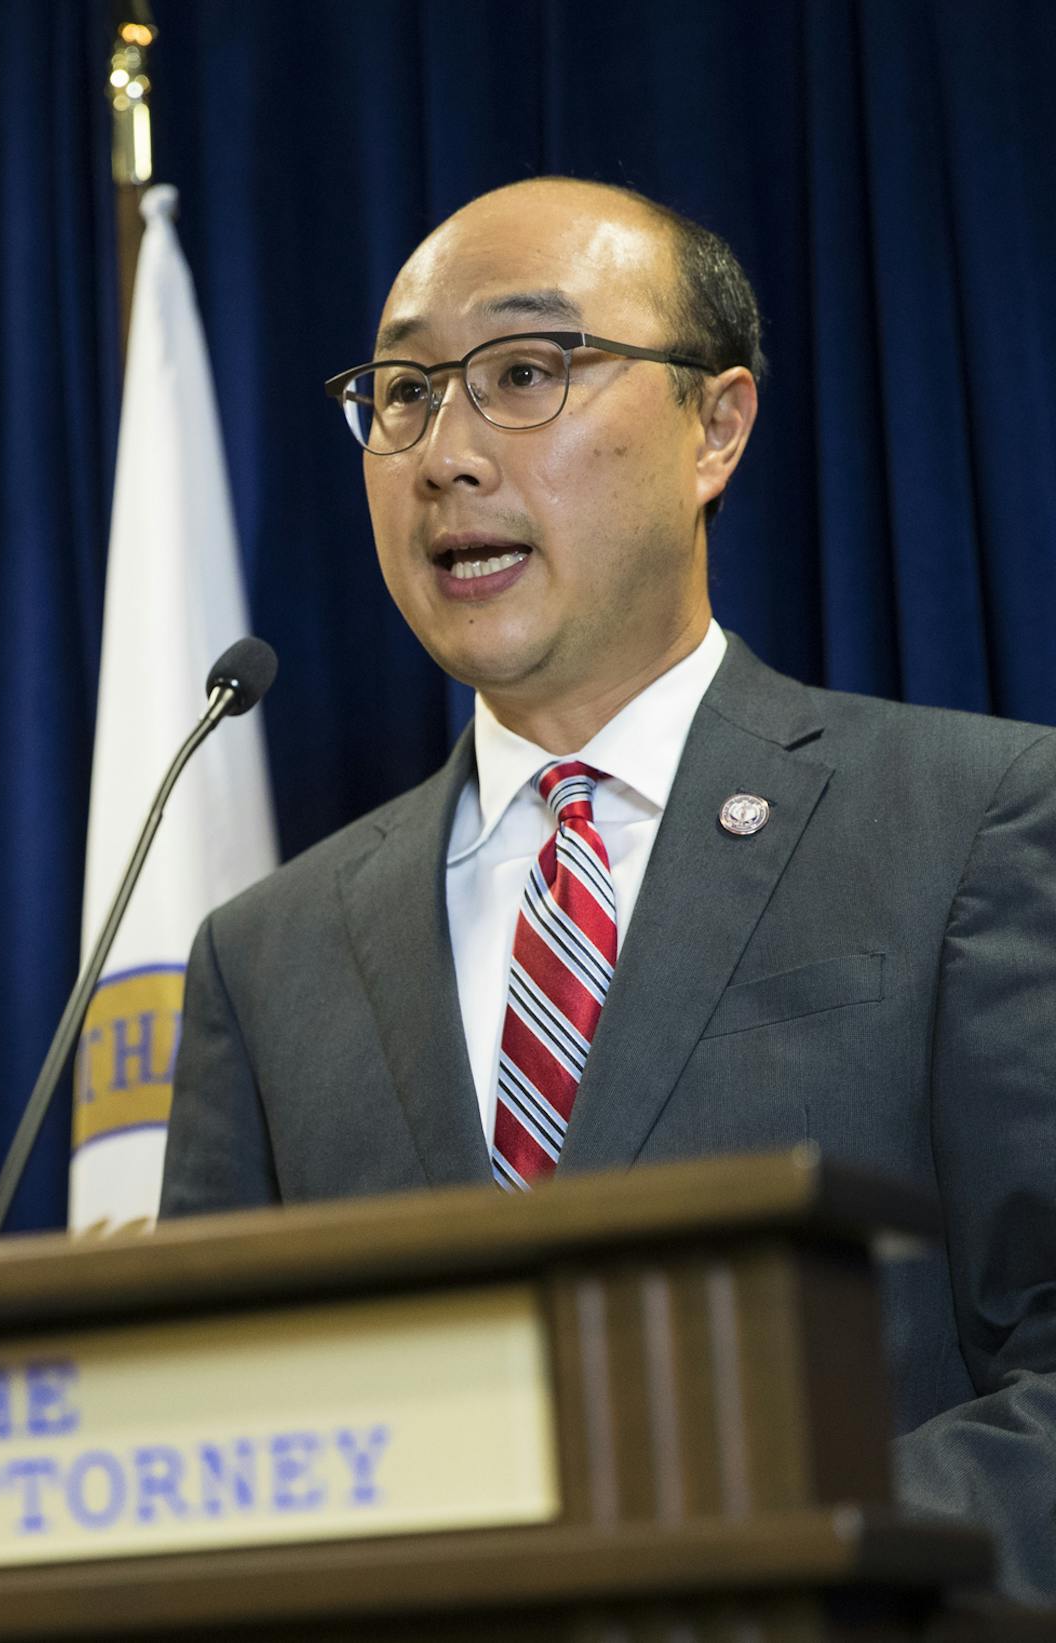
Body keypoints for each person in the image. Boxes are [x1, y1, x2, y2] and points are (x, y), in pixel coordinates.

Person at [158, 176, 1056, 1602]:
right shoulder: (267, 959)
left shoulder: (977, 821)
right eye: (399, 396)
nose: (444, 452)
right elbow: (205, 1452)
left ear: (717, 426)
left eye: (522, 374)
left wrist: (735, 1572)